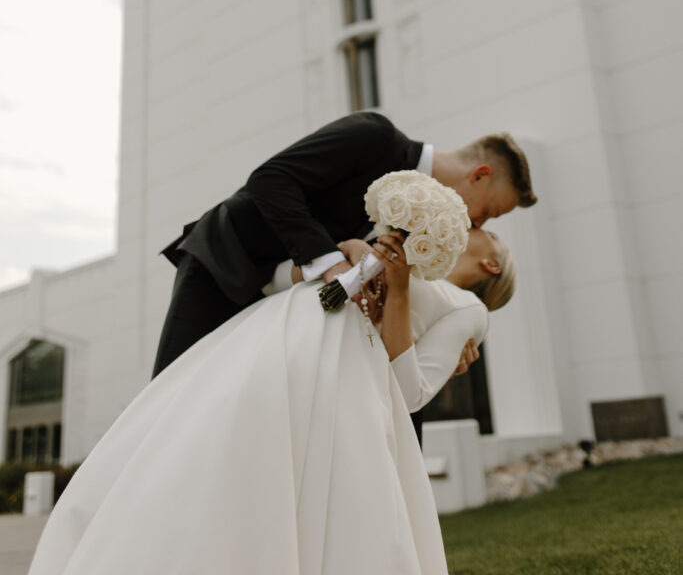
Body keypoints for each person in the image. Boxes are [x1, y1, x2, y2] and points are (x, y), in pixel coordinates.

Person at [28, 224, 516, 575]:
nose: (475, 226)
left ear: (491, 262)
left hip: (333, 373)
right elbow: (304, 278)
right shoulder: (396, 246)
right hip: (272, 338)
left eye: (487, 232)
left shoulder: (469, 310)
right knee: (203, 452)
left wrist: (401, 286)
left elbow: (409, 392)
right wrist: (351, 256)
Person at [152, 110, 535, 377]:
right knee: (165, 408)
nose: (475, 224)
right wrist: (331, 261)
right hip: (225, 267)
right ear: (480, 175)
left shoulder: (423, 234)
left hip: (279, 313)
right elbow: (271, 179)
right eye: (487, 213)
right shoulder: (376, 137)